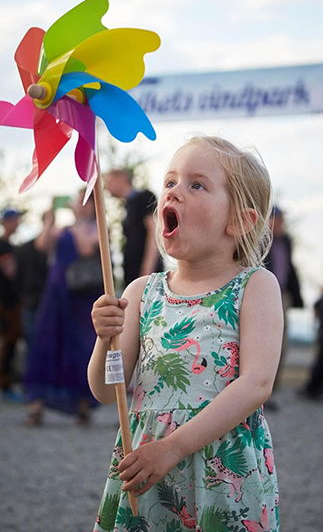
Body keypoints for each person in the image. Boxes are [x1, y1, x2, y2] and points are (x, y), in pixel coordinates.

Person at [88, 136, 283, 531]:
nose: (174, 192)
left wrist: (173, 447)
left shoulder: (255, 286)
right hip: (146, 471)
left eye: (197, 185)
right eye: (170, 182)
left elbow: (257, 384)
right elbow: (107, 392)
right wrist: (103, 339)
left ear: (240, 221)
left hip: (222, 479)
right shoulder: (141, 292)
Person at [24, 190, 103, 426]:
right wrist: (49, 220)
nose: (78, 205)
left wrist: (80, 223)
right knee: (46, 343)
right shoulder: (66, 228)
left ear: (91, 205)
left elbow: (85, 250)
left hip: (80, 296)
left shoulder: (96, 229)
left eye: (83, 201)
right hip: (56, 293)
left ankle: (82, 405)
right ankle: (36, 405)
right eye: (77, 200)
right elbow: (42, 244)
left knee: (80, 347)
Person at [264, 206, 303, 406]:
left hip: (283, 294)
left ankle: (272, 385)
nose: (281, 225)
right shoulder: (259, 241)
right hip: (263, 293)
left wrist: (297, 297)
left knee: (282, 339)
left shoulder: (285, 242)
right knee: (265, 339)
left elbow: (290, 267)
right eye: (278, 220)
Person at [104, 168, 163, 288]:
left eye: (109, 183)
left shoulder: (144, 197)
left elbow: (154, 232)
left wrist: (147, 272)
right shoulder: (127, 205)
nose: (106, 188)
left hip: (146, 277)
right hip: (132, 275)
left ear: (121, 179)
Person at [0, 207, 23, 401]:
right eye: (14, 220)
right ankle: (4, 384)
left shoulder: (11, 247)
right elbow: (11, 273)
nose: (17, 224)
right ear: (6, 222)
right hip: (6, 304)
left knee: (12, 343)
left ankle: (8, 383)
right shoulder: (0, 248)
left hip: (14, 303)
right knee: (7, 343)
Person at [17, 210, 53, 349]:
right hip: (32, 301)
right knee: (33, 344)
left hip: (44, 301)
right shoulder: (27, 248)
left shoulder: (53, 246)